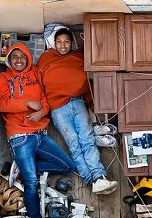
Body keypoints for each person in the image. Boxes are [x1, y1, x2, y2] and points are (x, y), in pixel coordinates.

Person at [38, 24, 118, 195]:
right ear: (54, 43)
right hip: (58, 109)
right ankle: (91, 180)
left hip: (77, 102)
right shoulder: (46, 58)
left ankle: (99, 177)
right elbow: (42, 83)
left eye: (66, 41)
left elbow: (84, 79)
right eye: (59, 41)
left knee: (87, 138)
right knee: (74, 144)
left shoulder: (78, 56)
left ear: (71, 43)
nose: (63, 45)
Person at [0, 43, 75, 218]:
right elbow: (3, 104)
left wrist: (41, 112)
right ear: (9, 60)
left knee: (68, 166)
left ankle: (23, 171)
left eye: (22, 56)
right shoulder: (3, 78)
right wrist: (26, 103)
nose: (19, 60)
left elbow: (44, 100)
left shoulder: (34, 73)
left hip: (39, 134)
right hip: (19, 136)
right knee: (31, 183)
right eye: (15, 57)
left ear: (28, 58)